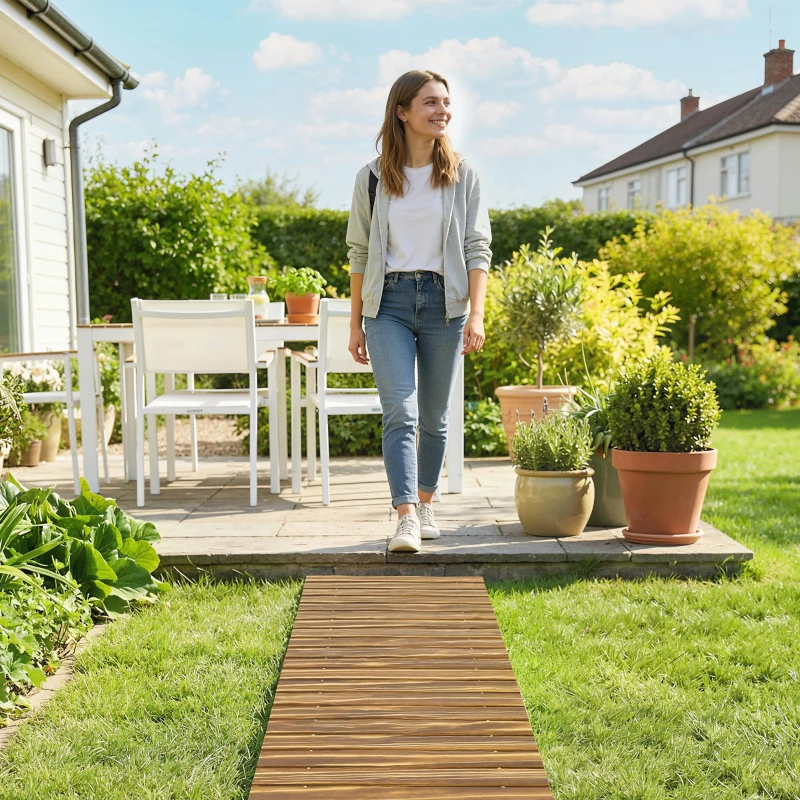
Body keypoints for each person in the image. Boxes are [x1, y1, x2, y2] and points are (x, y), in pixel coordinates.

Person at [345, 69, 492, 553]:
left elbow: (477, 248)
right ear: (402, 112)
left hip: (444, 306)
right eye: (430, 102)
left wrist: (476, 313)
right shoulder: (371, 178)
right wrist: (355, 324)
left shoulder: (462, 174)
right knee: (400, 412)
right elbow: (359, 253)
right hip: (386, 305)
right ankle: (405, 515)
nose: (441, 111)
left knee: (434, 416)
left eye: (446, 102)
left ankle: (427, 503)